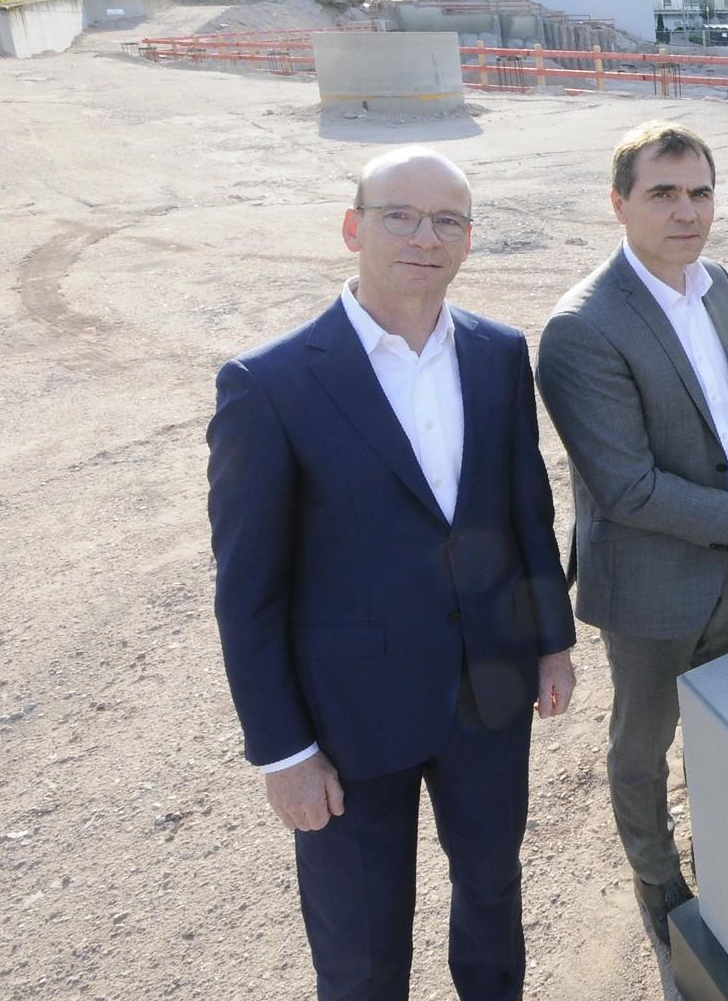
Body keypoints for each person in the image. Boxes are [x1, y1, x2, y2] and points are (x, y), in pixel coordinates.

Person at [207, 146, 577, 1000]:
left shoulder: (496, 353)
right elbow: (247, 592)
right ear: (353, 227)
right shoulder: (271, 384)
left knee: (492, 894)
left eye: (448, 219)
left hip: (489, 693)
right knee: (365, 951)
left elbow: (528, 509)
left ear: (470, 240)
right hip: (349, 720)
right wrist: (283, 751)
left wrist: (550, 643)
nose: (425, 235)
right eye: (399, 215)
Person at [534, 121, 728, 947]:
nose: (687, 211)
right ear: (619, 203)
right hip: (649, 584)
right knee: (644, 743)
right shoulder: (583, 328)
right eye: (663, 193)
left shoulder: (720, 286)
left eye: (700, 191)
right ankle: (659, 878)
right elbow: (627, 487)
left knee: (727, 728)